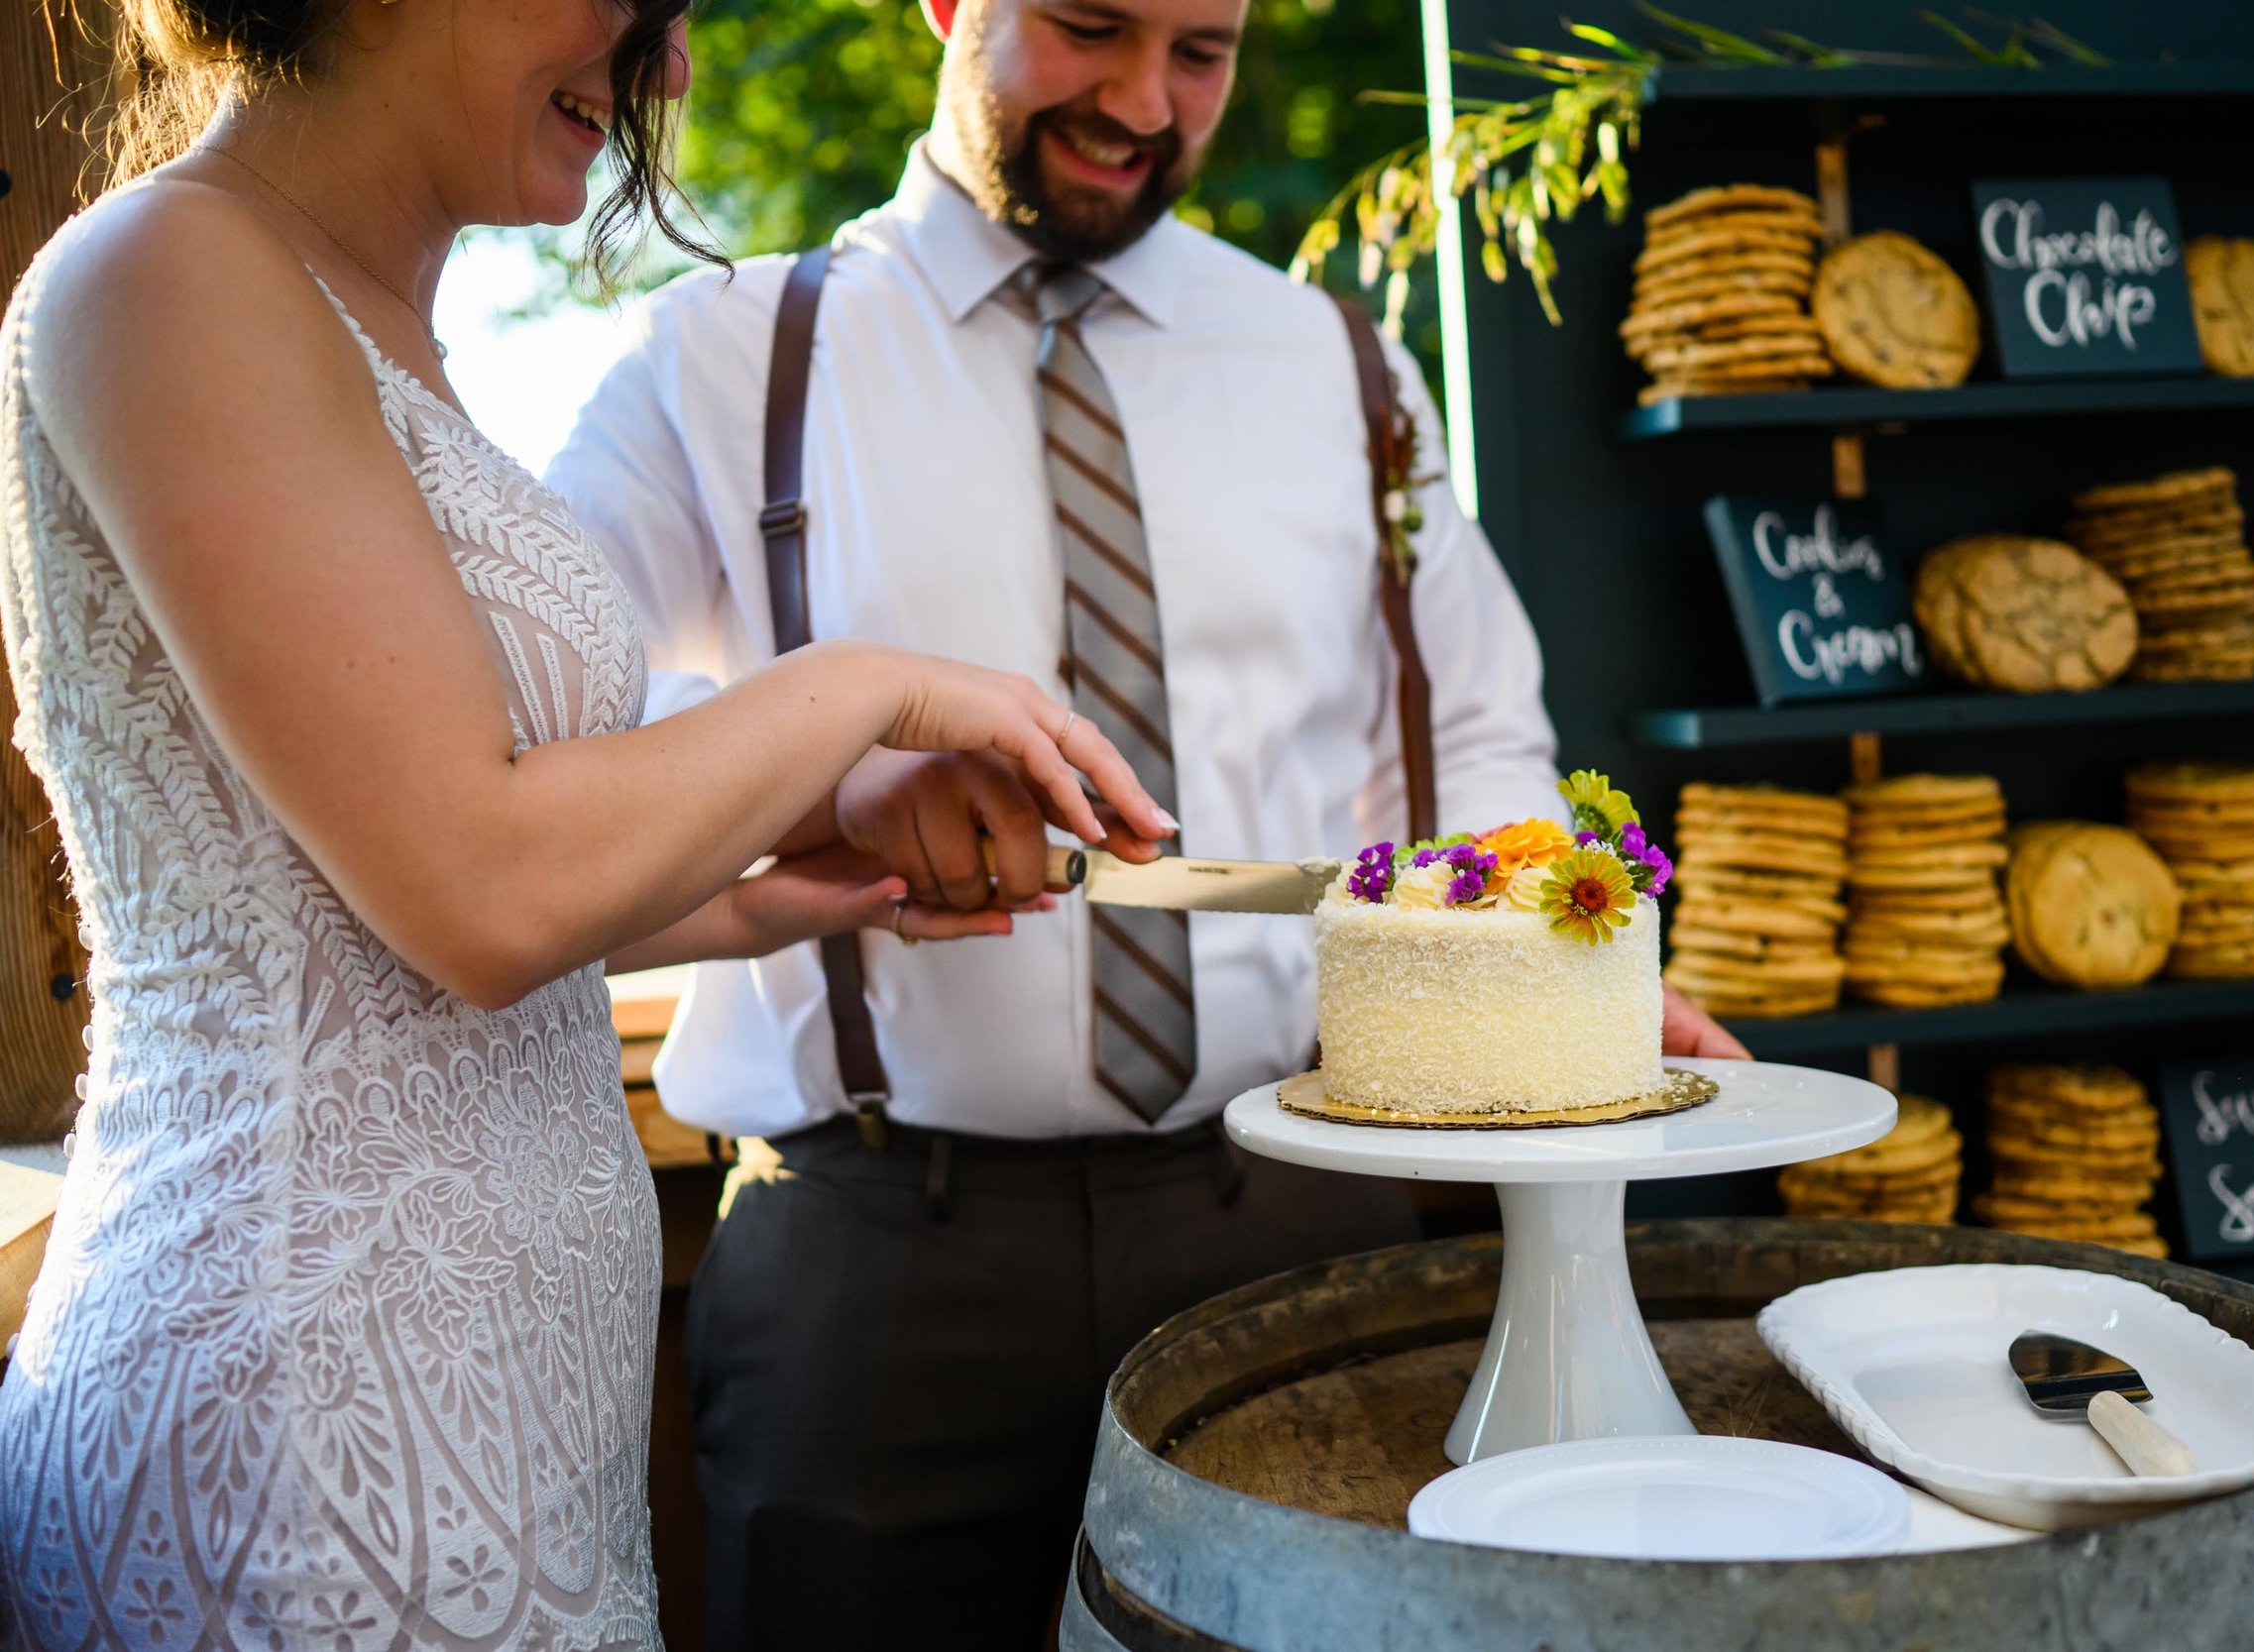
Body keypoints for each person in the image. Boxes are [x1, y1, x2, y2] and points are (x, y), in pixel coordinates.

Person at [549, 0, 1750, 1642]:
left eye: (1203, 48)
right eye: (1090, 25)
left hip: (1307, 1218)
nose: (1141, 100)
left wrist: (1538, 972)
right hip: (878, 1270)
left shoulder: (1338, 364)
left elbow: (1469, 735)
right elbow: (549, 728)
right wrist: (831, 777)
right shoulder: (722, 359)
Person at [0, 1, 1170, 1646]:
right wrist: (863, 692)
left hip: (492, 1407)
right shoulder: (169, 276)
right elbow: (480, 895)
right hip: (305, 1417)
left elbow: (369, 893)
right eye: (638, 9)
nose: (668, 73)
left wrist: (774, 883)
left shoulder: (374, 322)